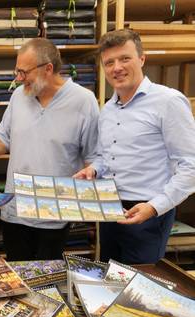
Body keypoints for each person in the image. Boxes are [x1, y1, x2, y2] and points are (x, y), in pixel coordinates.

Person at [0, 38, 99, 261]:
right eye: (17, 71)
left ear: (48, 69)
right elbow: (4, 138)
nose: (18, 78)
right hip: (14, 213)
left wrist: (88, 189)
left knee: (47, 280)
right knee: (17, 277)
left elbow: (93, 157)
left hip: (55, 214)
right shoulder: (19, 96)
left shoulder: (84, 101)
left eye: (24, 72)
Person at [74, 29, 195, 264]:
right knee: (111, 280)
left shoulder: (168, 102)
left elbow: (191, 165)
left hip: (148, 212)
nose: (116, 67)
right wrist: (94, 170)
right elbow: (104, 156)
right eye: (109, 62)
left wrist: (154, 207)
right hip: (109, 208)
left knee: (140, 288)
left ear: (142, 59)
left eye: (124, 58)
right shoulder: (107, 109)